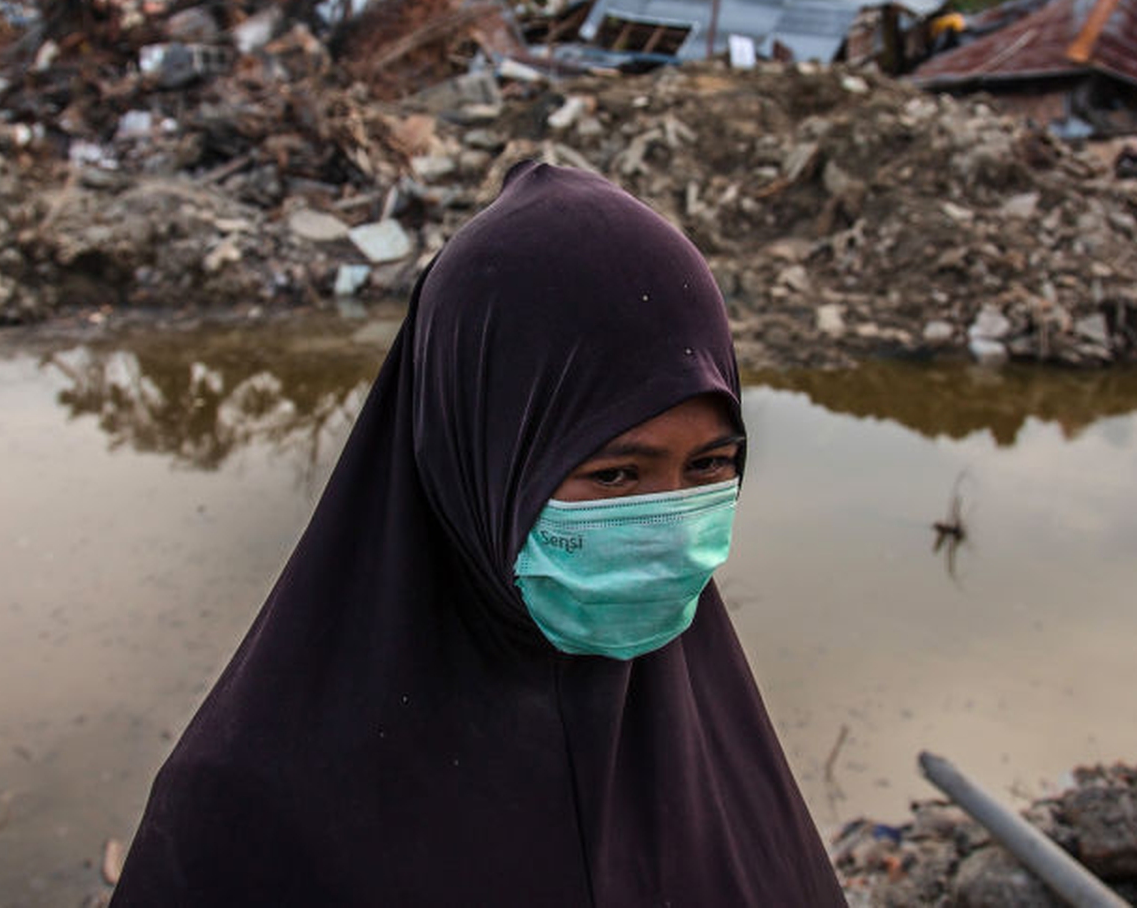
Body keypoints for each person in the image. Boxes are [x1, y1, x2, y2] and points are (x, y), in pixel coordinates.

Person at [110, 163, 844, 906]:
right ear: (477, 458)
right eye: (618, 476)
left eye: (711, 464)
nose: (669, 530)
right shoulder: (247, 819)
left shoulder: (714, 739)